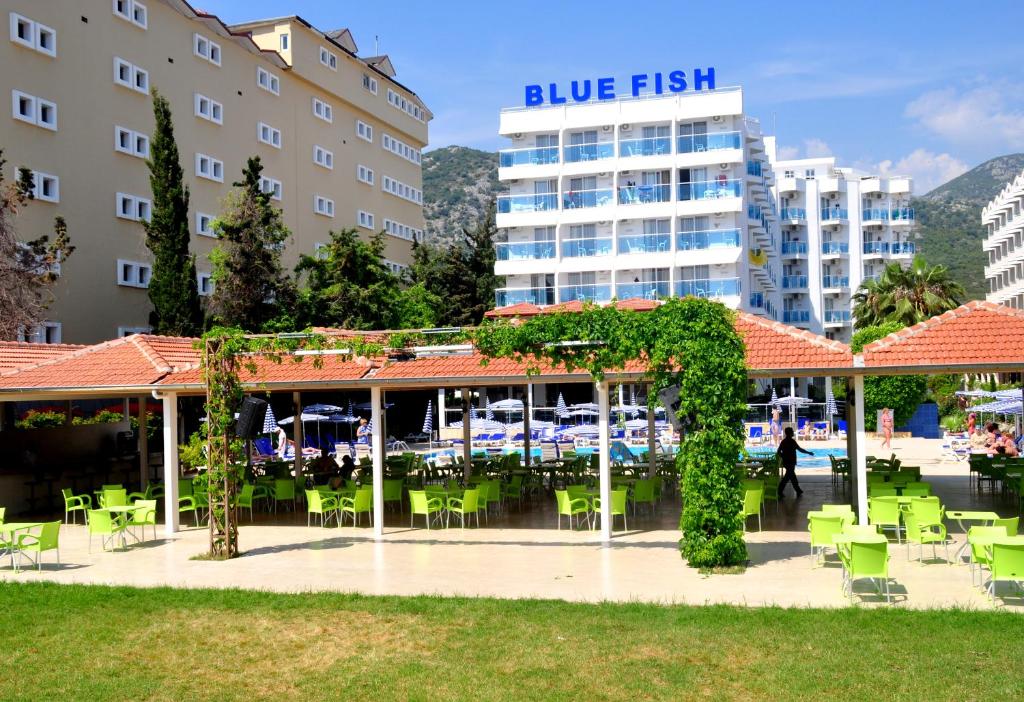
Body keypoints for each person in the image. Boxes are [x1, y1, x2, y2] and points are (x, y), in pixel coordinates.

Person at [776, 426, 812, 498]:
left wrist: (783, 456)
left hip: (787, 462)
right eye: (792, 431)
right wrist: (808, 452)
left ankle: (795, 490)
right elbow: (800, 449)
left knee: (789, 476)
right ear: (789, 433)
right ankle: (794, 490)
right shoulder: (792, 441)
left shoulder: (784, 441)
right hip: (790, 462)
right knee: (790, 476)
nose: (793, 433)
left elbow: (778, 451)